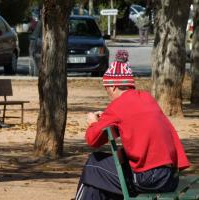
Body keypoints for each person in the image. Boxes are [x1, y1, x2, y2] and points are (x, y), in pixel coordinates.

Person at [75, 50, 190, 200]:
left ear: (113, 87)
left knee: (93, 164)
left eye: (106, 89)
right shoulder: (146, 98)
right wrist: (107, 118)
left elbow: (92, 140)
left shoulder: (118, 106)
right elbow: (134, 122)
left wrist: (93, 123)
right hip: (170, 177)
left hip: (149, 179)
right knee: (99, 178)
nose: (107, 93)